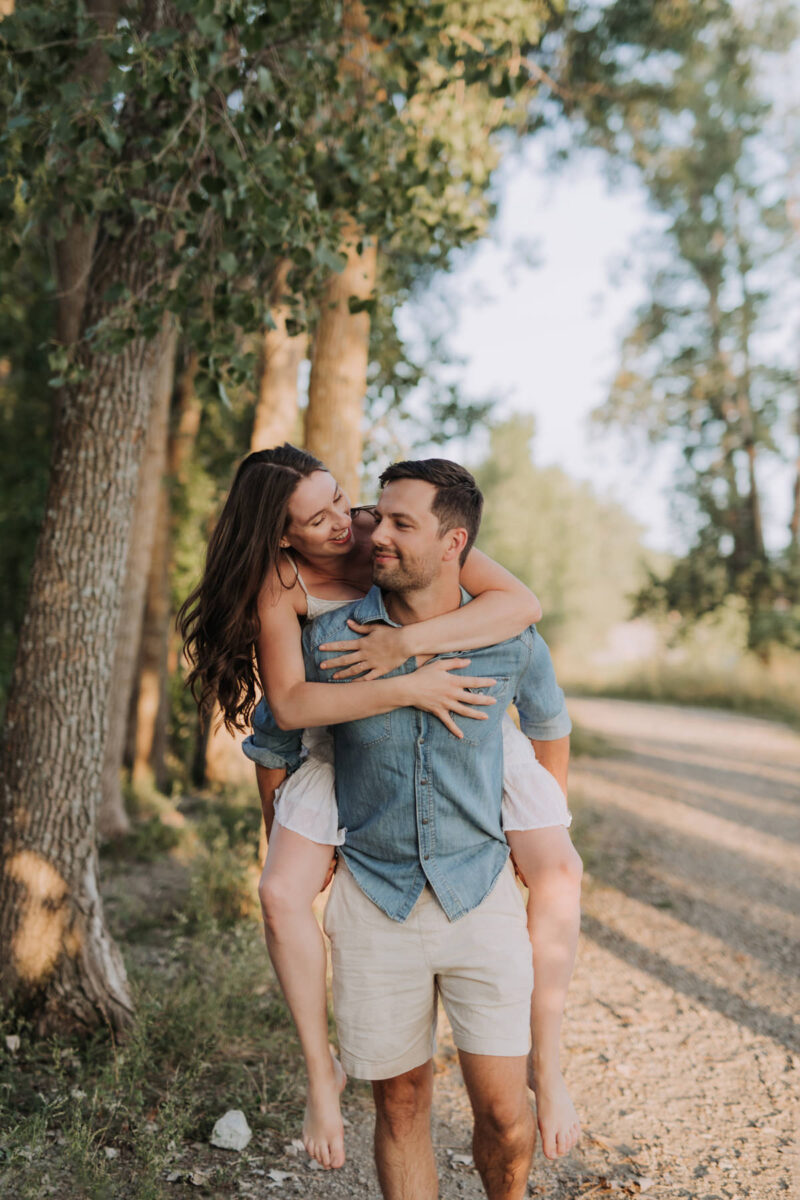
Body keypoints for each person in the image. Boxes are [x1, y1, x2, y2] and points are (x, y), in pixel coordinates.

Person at [179, 446, 580, 1174]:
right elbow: (288, 718)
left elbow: (522, 609)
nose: (351, 526)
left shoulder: (386, 533)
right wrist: (403, 687)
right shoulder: (286, 589)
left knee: (558, 868)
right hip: (346, 736)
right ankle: (319, 1075)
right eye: (319, 516)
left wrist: (408, 647)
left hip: (453, 745)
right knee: (278, 891)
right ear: (281, 537)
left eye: (344, 501)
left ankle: (548, 1067)